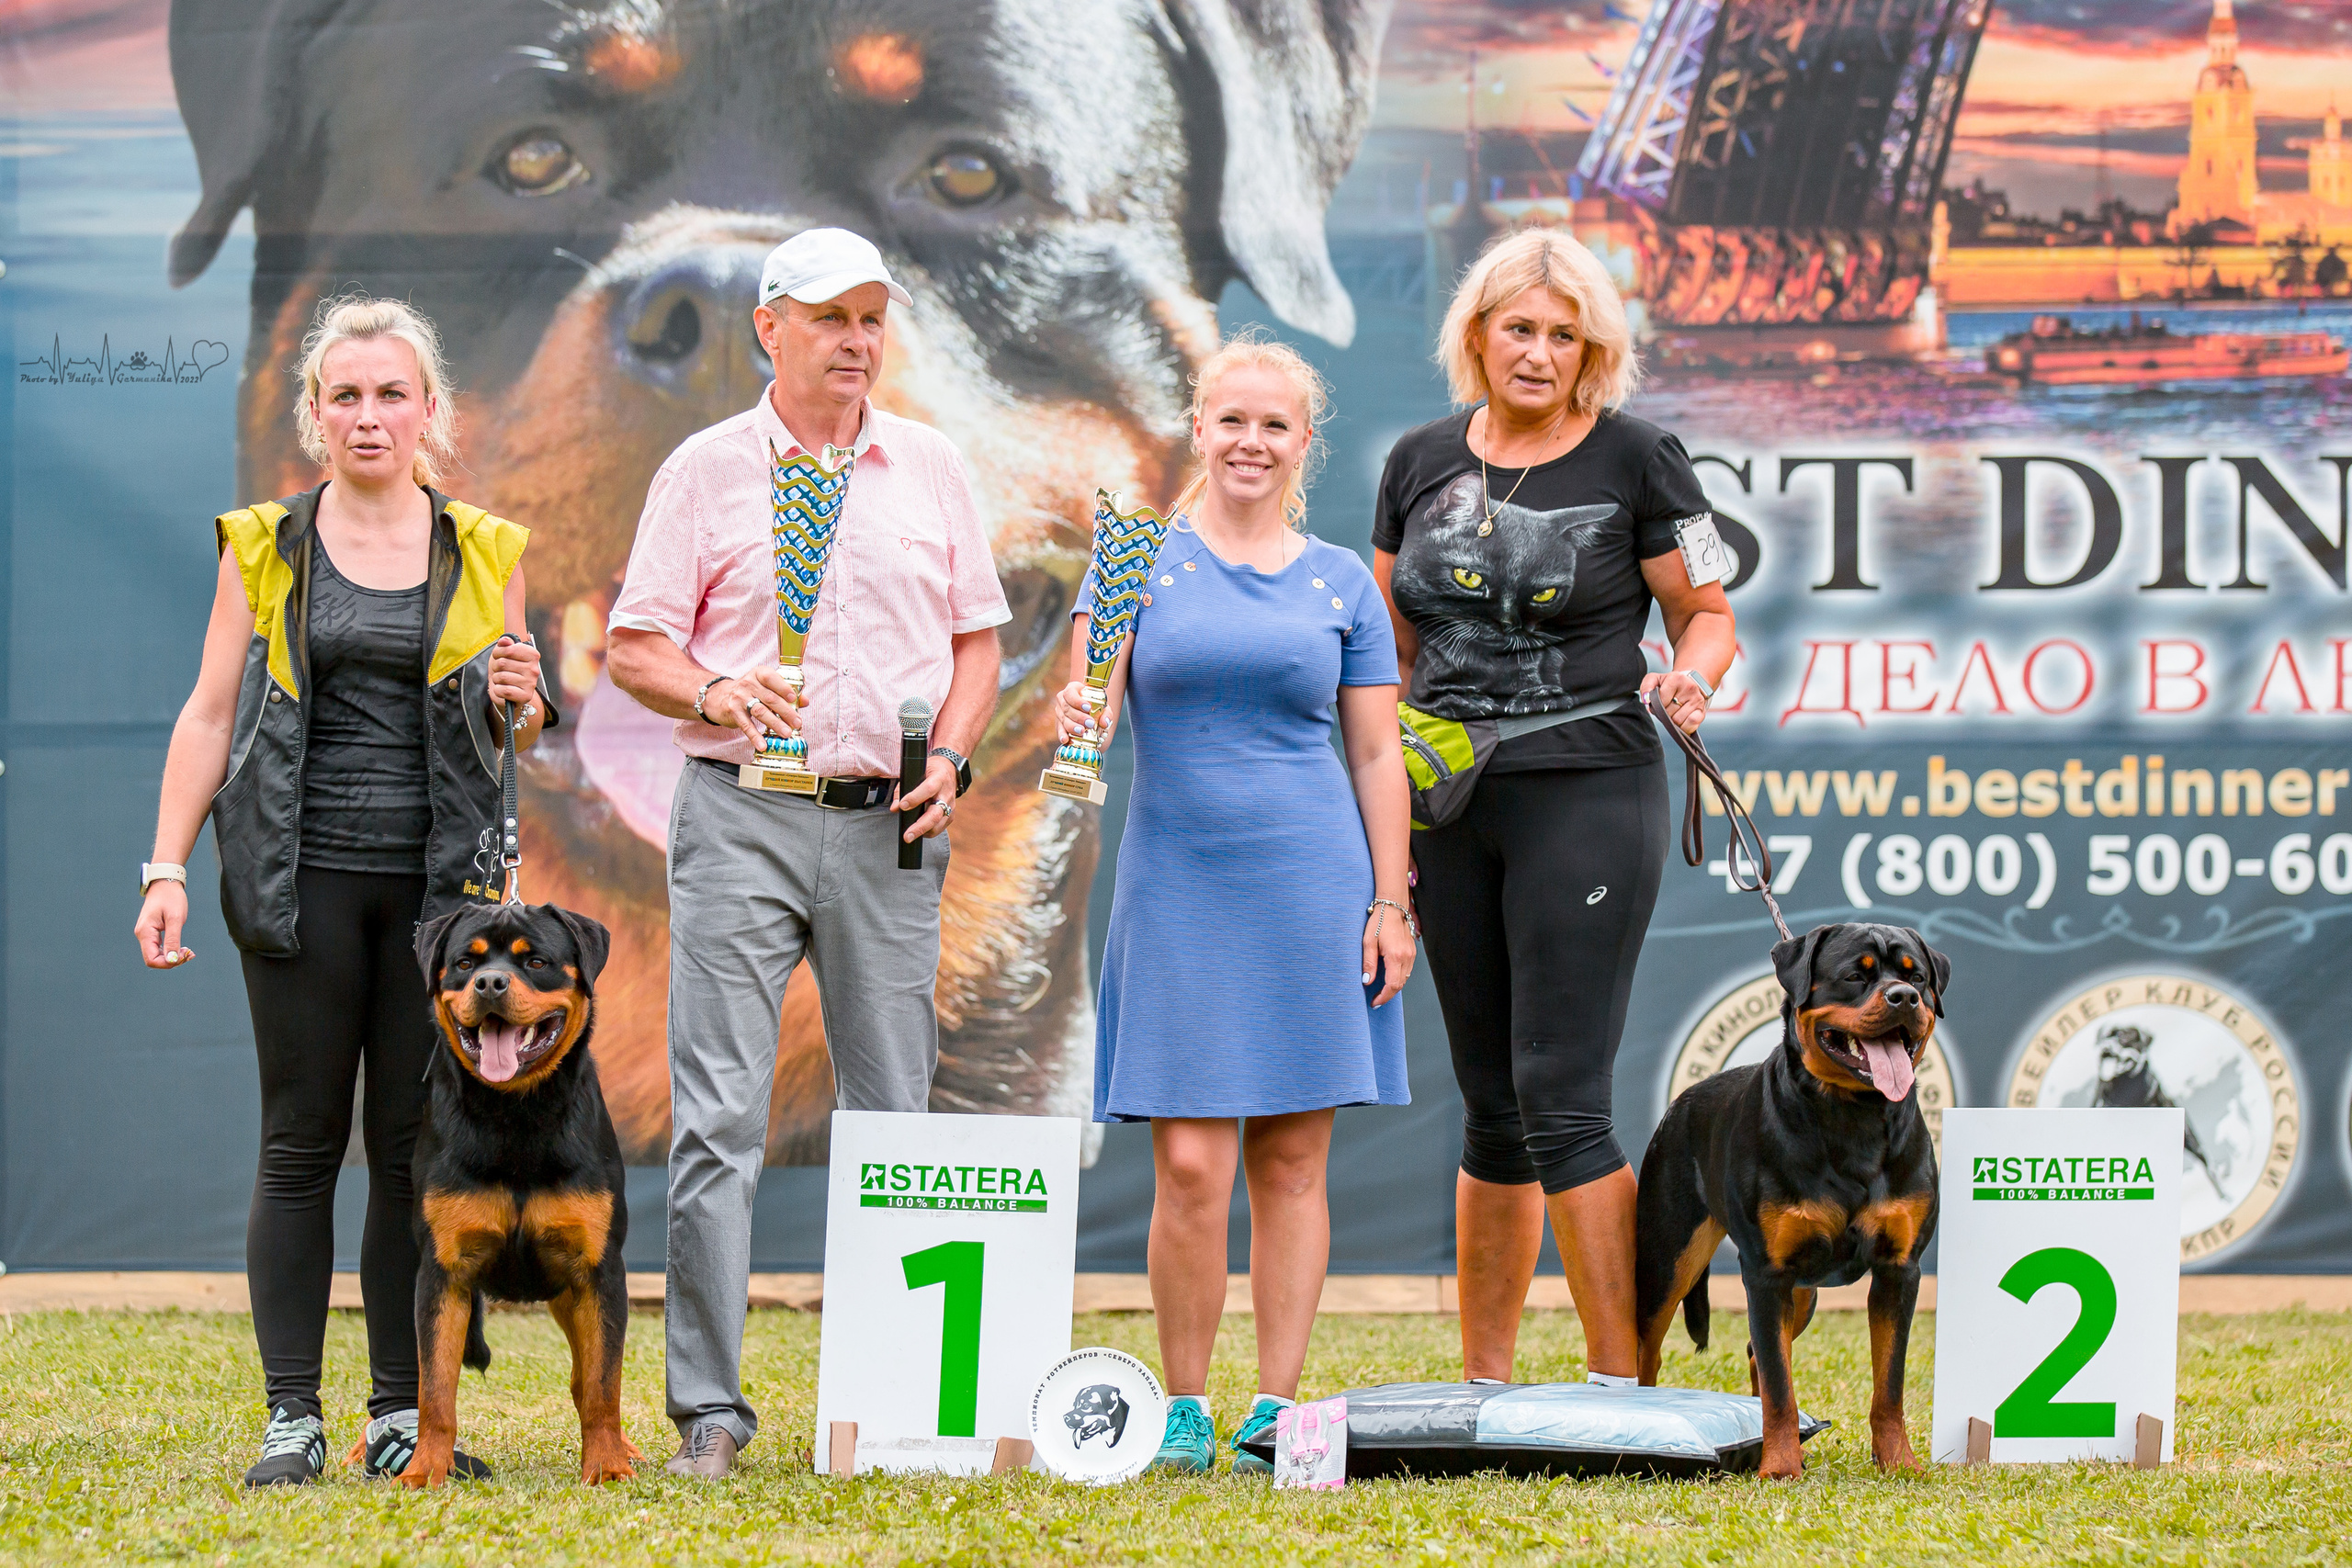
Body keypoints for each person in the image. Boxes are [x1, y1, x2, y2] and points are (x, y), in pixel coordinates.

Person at [605, 227, 1010, 1479]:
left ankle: (900, 1403)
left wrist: (950, 755)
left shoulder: (930, 463)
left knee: (899, 1117)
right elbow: (634, 646)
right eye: (831, 317)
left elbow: (978, 642)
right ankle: (709, 1413)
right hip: (738, 811)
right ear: (769, 327)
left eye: (873, 319)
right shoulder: (705, 468)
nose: (855, 340)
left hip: (890, 811)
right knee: (718, 1117)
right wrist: (715, 688)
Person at [133, 298, 548, 1486]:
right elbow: (210, 712)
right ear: (315, 414)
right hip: (297, 881)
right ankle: (290, 1418)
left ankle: (393, 1415)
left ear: (431, 412)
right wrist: (165, 865)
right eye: (346, 395)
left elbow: (513, 719)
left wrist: (524, 693)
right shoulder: (264, 543)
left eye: (392, 393)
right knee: (298, 1141)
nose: (369, 415)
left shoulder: (489, 548)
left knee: (413, 1151)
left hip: (439, 909)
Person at [1370, 229, 1736, 1385]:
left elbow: (1707, 615)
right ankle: (1484, 1386)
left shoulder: (1640, 456)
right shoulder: (1417, 456)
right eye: (1517, 329)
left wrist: (1694, 678)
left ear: (1593, 352)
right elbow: (1386, 643)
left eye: (1561, 335)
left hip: (1586, 782)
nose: (1536, 353)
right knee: (1487, 1105)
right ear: (1475, 335)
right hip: (1445, 801)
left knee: (1561, 1095)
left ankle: (1617, 1383)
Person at [1055, 334, 1414, 1474]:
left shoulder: (1342, 582)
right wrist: (1074, 719)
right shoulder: (1127, 561)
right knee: (1192, 1168)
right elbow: (1090, 712)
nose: (1250, 442)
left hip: (1314, 887)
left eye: (1274, 425)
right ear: (1195, 429)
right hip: (1176, 890)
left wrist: (1388, 902)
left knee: (1293, 1167)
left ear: (1304, 443)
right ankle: (1183, 1409)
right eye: (1231, 420)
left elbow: (1373, 760)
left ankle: (1274, 1410)